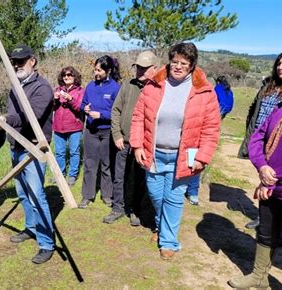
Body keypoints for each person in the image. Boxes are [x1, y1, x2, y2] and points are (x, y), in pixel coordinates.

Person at [130, 43, 220, 260]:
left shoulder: (204, 91)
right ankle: (162, 227)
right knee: (155, 194)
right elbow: (138, 118)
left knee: (174, 197)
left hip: (183, 156)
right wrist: (137, 145)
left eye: (184, 63)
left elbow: (211, 128)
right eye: (175, 62)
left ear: (192, 66)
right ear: (169, 61)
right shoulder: (154, 85)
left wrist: (202, 156)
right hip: (153, 153)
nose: (178, 66)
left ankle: (169, 241)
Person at [228, 97, 282, 289]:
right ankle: (259, 276)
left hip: (281, 185)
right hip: (271, 183)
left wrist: (269, 181)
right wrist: (262, 166)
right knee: (266, 232)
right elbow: (258, 136)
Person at [5, 44, 55, 264]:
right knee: (24, 193)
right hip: (16, 147)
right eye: (14, 61)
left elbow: (30, 116)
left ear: (32, 61)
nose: (17, 65)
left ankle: (46, 243)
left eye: (21, 61)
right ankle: (31, 228)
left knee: (36, 196)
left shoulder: (43, 88)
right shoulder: (14, 87)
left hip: (33, 148)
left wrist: (4, 121)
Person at [238, 50, 282, 229]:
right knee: (265, 177)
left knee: (277, 182)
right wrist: (250, 132)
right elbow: (255, 109)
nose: (280, 67)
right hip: (261, 139)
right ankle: (265, 219)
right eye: (278, 63)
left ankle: (280, 225)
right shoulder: (268, 85)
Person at [103, 51, 158, 225]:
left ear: (155, 68)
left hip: (143, 144)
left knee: (139, 178)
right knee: (119, 176)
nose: (140, 71)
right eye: (138, 68)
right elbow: (116, 110)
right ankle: (118, 207)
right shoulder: (128, 84)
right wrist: (117, 135)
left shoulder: (158, 88)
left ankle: (135, 209)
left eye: (145, 68)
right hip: (123, 141)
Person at [78, 55, 121, 209]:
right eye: (94, 69)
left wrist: (102, 115)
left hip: (107, 131)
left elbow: (118, 113)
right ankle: (87, 196)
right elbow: (82, 104)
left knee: (106, 164)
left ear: (107, 70)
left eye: (98, 70)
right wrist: (85, 108)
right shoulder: (90, 86)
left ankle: (107, 195)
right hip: (91, 131)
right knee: (89, 163)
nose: (95, 72)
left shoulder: (115, 88)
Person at [185, 75, 235, 206]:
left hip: (201, 126)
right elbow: (230, 104)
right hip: (218, 115)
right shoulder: (228, 89)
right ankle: (192, 191)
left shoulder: (215, 89)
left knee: (193, 160)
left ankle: (192, 191)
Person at [53, 66, 85, 186]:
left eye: (69, 75)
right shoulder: (58, 89)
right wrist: (55, 99)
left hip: (74, 127)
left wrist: (70, 99)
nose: (66, 77)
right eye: (64, 75)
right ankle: (60, 175)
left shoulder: (80, 91)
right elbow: (52, 108)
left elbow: (79, 108)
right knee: (59, 152)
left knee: (74, 152)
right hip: (58, 127)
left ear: (74, 77)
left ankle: (72, 175)